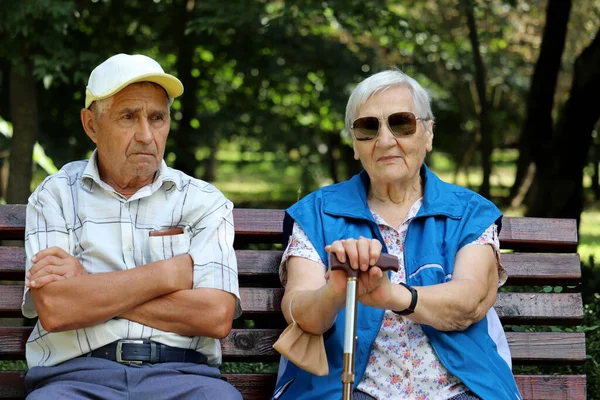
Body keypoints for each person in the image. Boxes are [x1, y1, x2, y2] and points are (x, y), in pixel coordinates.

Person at [272, 69, 521, 400]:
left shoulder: (469, 213)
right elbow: (298, 312)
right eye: (368, 127)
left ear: (428, 133)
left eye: (401, 123)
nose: (385, 140)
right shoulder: (316, 214)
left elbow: (470, 301)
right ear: (355, 145)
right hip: (349, 389)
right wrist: (334, 289)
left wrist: (391, 296)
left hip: (459, 389)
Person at [21, 53, 243, 400]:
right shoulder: (56, 195)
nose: (145, 135)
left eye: (157, 118)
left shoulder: (202, 202)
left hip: (183, 376)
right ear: (91, 124)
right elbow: (56, 309)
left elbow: (215, 316)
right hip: (75, 378)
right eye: (128, 117)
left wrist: (87, 286)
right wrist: (167, 275)